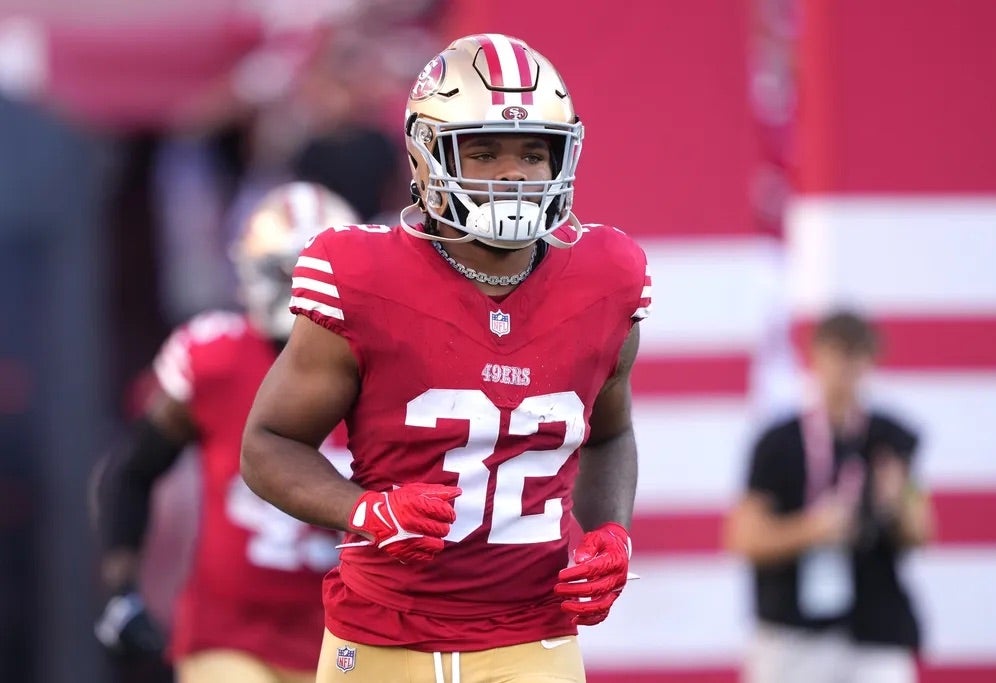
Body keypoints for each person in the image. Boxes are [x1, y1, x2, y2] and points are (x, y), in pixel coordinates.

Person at [240, 34, 652, 683]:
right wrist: (366, 510)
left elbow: (610, 432)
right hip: (381, 634)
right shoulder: (361, 275)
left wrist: (611, 531)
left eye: (532, 152)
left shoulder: (607, 278)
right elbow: (269, 443)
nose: (513, 174)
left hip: (532, 634)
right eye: (484, 152)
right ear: (426, 155)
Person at [92, 182, 359, 683]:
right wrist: (120, 591)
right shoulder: (214, 359)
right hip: (228, 635)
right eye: (283, 273)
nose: (297, 292)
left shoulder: (382, 365)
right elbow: (132, 471)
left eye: (311, 276)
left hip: (347, 637)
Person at [724, 310, 935, 683]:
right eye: (838, 355)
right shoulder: (779, 442)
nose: (846, 369)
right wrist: (813, 531)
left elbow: (921, 533)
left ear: (871, 361)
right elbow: (743, 538)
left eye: (856, 356)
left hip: (874, 628)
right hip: (793, 629)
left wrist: (897, 501)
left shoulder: (892, 439)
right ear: (816, 357)